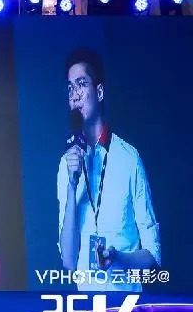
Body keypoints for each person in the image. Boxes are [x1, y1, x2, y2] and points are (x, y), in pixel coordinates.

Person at [58, 47, 161, 291]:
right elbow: (68, 262)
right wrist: (72, 186)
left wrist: (118, 258)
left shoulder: (129, 159)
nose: (75, 95)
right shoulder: (66, 164)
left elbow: (153, 256)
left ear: (100, 92)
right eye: (70, 88)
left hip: (127, 303)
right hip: (87, 306)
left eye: (81, 84)